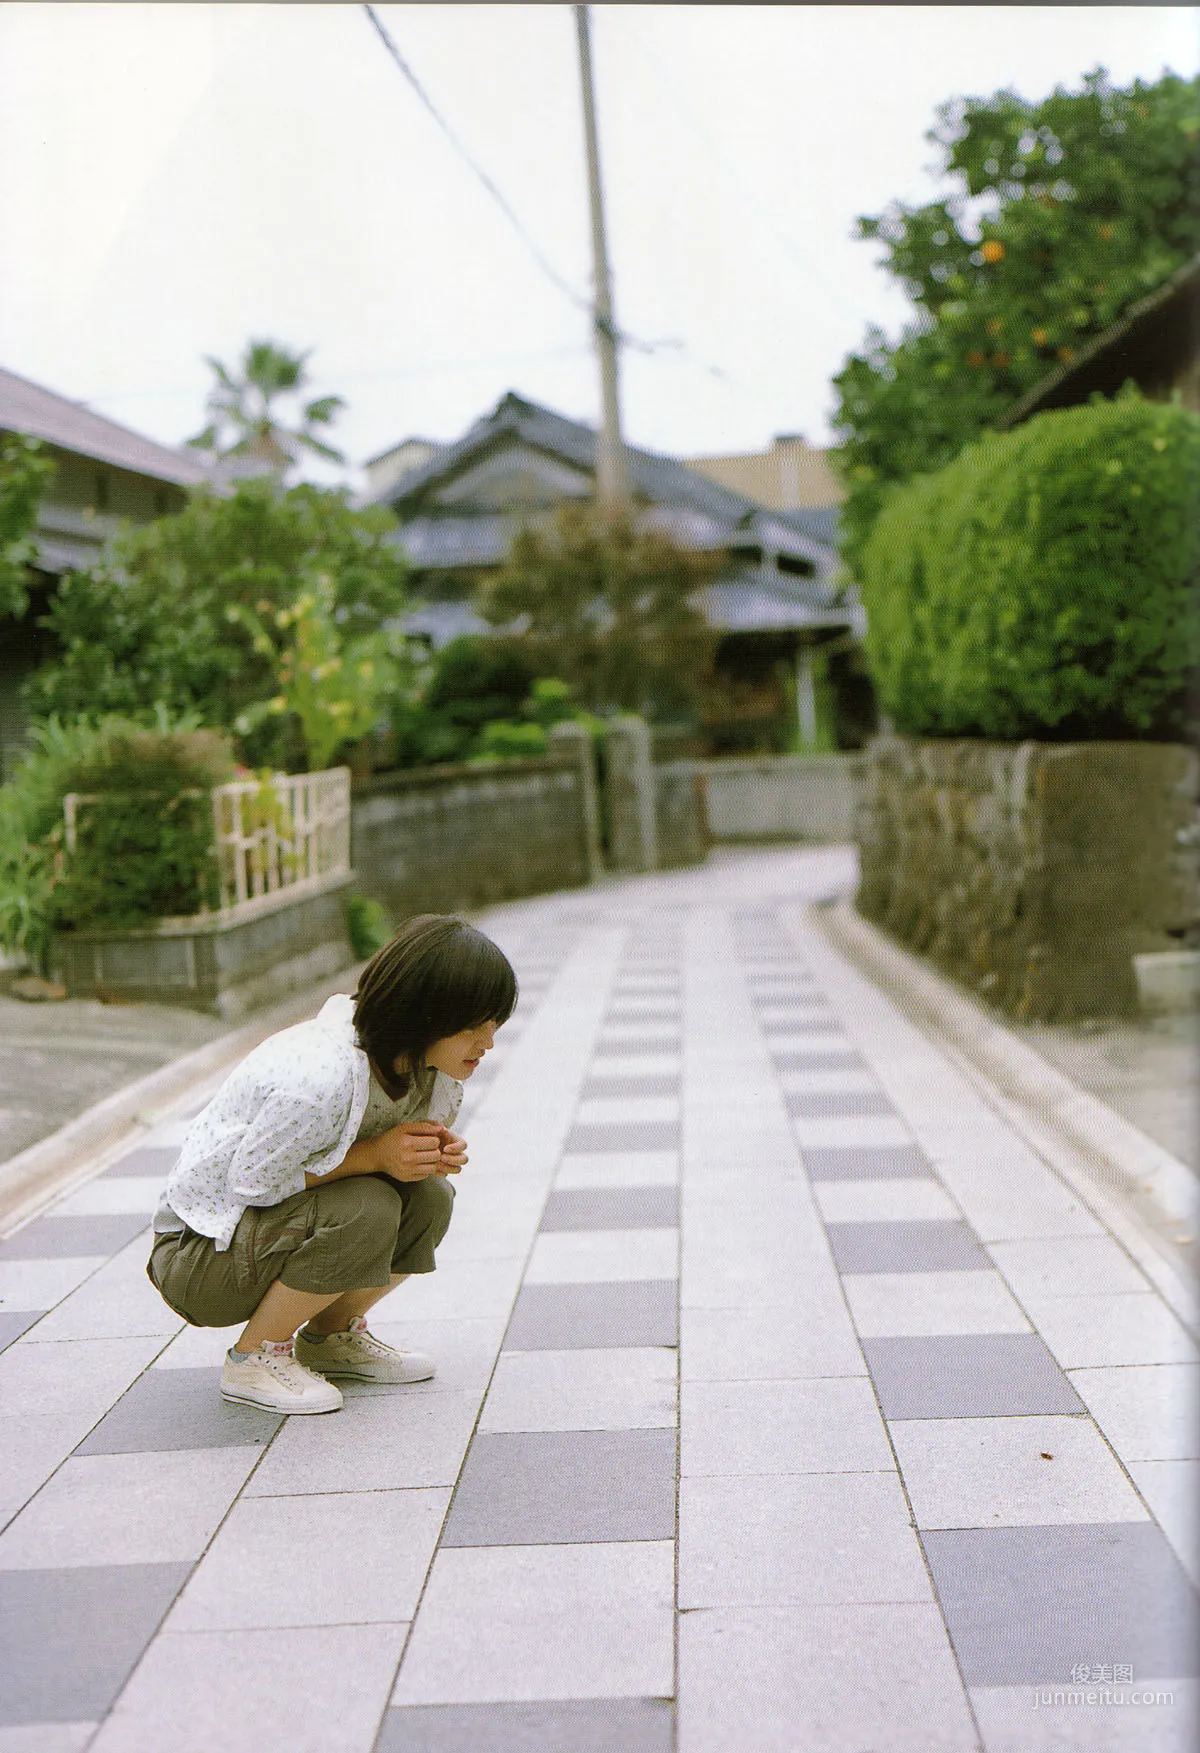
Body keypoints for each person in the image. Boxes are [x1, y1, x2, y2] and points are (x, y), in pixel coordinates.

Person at [147, 914, 517, 1415]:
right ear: (425, 1015)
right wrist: (377, 1156)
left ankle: (330, 1338)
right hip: (200, 1256)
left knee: (429, 1198)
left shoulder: (433, 1069)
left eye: (494, 1026)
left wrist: (427, 1155)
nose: (488, 1044)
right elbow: (253, 1184)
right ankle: (253, 1357)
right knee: (368, 1207)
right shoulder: (322, 1076)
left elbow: (386, 1156)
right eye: (476, 1027)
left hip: (257, 1235)